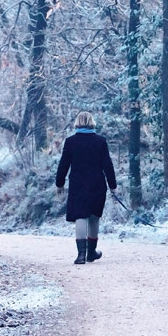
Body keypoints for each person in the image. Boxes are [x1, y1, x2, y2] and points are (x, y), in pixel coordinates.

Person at [55, 111, 118, 265]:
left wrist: (60, 183)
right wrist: (113, 186)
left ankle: (81, 255)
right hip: (97, 184)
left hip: (78, 184)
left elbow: (64, 164)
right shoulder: (100, 141)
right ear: (92, 122)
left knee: (80, 216)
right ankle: (91, 252)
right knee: (94, 217)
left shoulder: (70, 142)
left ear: (77, 123)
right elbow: (107, 165)